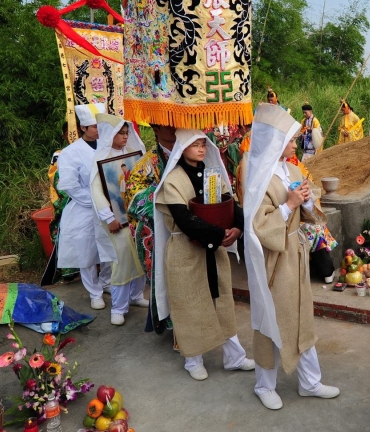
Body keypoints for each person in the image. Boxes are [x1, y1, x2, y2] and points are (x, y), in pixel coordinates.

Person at [242, 104, 340, 410]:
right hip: (272, 259)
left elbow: (309, 215)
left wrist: (306, 203)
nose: (296, 144)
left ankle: (310, 381)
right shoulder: (257, 175)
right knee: (270, 318)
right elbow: (258, 225)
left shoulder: (294, 169)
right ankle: (264, 384)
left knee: (301, 315)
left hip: (295, 253)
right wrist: (289, 204)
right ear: (274, 141)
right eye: (291, 139)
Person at [154, 129, 254, 380]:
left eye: (203, 145)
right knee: (190, 305)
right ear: (182, 148)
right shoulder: (174, 180)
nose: (201, 149)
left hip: (214, 249)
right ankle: (193, 359)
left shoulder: (212, 174)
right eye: (195, 145)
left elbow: (231, 204)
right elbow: (184, 219)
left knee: (223, 304)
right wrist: (220, 233)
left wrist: (238, 228)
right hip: (186, 253)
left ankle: (234, 357)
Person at [90, 114, 148, 326]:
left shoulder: (133, 155)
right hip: (116, 220)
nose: (125, 137)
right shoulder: (100, 159)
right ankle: (118, 306)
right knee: (122, 259)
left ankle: (136, 295)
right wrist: (109, 217)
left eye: (126, 133)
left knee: (140, 253)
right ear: (109, 135)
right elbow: (97, 191)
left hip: (135, 216)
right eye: (120, 133)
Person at [56, 104, 113, 310]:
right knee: (86, 252)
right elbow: (70, 184)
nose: (98, 129)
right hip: (85, 208)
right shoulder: (71, 152)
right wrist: (94, 200)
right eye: (93, 126)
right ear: (82, 128)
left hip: (110, 206)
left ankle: (106, 282)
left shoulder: (109, 145)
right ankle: (94, 292)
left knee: (109, 247)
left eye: (100, 125)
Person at [125, 123, 176, 334]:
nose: (174, 129)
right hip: (160, 229)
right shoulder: (146, 164)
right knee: (168, 277)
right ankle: (173, 326)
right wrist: (170, 196)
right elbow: (134, 198)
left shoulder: (190, 154)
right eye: (168, 126)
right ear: (155, 129)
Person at [43, 122, 78, 284]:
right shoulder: (59, 154)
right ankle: (69, 270)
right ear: (64, 135)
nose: (71, 135)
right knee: (66, 231)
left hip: (85, 198)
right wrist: (70, 194)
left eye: (74, 131)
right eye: (68, 132)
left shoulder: (91, 149)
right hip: (66, 198)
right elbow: (54, 176)